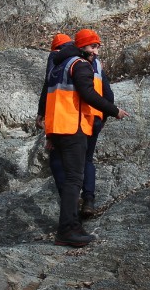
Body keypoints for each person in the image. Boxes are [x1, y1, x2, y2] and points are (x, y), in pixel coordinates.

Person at [41, 28, 124, 247]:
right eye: (93, 46)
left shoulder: (58, 66)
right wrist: (114, 111)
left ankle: (73, 225)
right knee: (74, 180)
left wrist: (48, 132)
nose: (96, 52)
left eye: (97, 47)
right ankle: (67, 229)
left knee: (68, 177)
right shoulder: (79, 65)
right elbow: (88, 93)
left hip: (58, 128)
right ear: (82, 47)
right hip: (73, 128)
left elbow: (48, 100)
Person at [37, 31, 111, 220]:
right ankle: (88, 201)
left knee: (58, 163)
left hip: (69, 122)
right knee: (86, 161)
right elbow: (107, 92)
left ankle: (71, 204)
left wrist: (43, 116)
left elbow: (49, 89)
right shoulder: (93, 63)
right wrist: (104, 116)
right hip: (92, 119)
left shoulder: (60, 62)